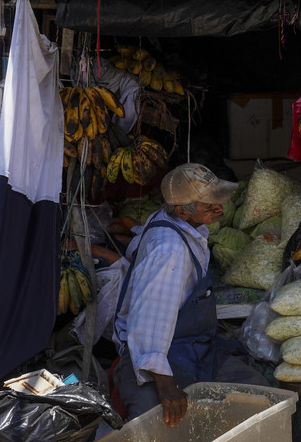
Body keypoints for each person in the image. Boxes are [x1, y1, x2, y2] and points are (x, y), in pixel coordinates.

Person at [112, 163, 268, 426]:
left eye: (218, 200)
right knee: (158, 426)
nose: (219, 208)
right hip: (158, 353)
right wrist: (165, 386)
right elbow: (150, 322)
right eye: (209, 205)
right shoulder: (170, 250)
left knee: (257, 393)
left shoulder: (168, 219)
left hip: (194, 345)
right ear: (182, 211)